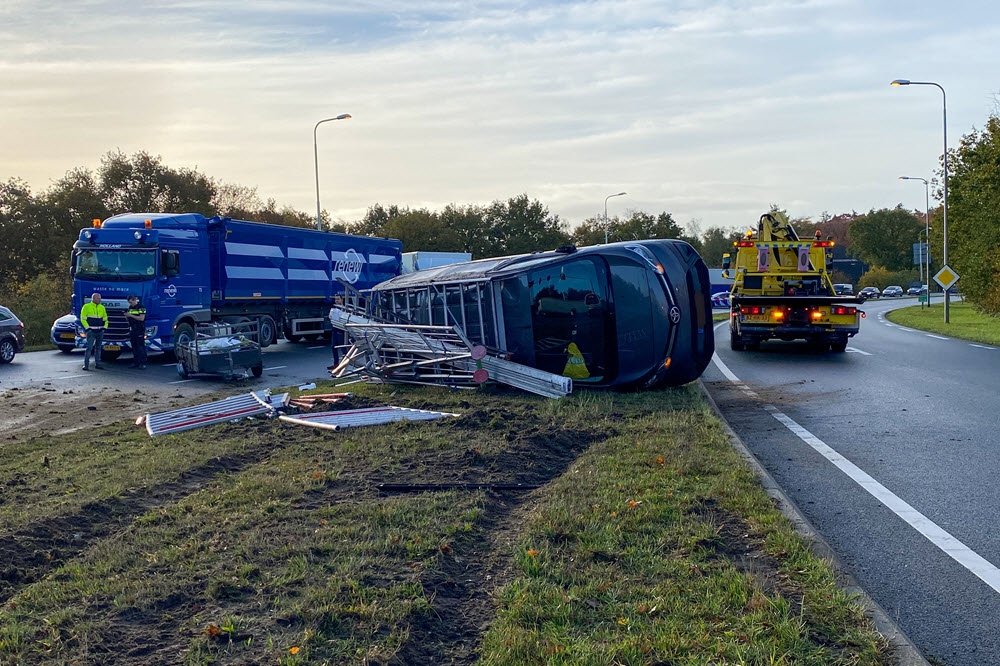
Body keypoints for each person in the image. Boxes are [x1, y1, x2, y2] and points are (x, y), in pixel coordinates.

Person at [80, 292, 108, 370]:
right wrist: (88, 329)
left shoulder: (102, 307)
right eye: (98, 298)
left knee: (98, 348)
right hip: (91, 331)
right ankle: (86, 365)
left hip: (100, 331)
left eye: (100, 298)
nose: (100, 300)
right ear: (94, 298)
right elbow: (83, 318)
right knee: (89, 348)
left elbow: (105, 318)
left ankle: (98, 364)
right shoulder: (86, 306)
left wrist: (104, 328)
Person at [125, 294, 147, 369]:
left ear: (134, 300)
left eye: (131, 302)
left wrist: (130, 315)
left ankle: (142, 363)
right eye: (129, 303)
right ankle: (136, 362)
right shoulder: (130, 307)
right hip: (132, 329)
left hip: (139, 329)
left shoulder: (141, 307)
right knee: (134, 346)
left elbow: (141, 318)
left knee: (140, 346)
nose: (130, 304)